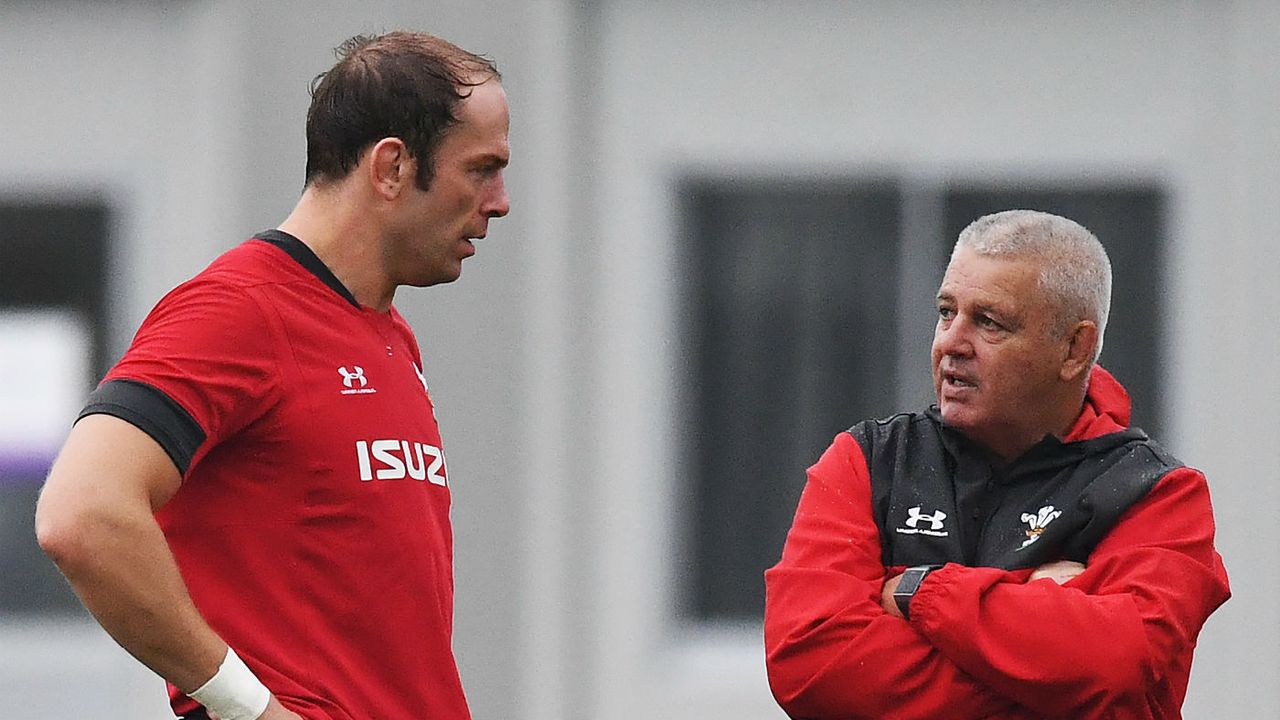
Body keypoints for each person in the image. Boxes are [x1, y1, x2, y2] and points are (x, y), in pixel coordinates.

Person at [35, 30, 509, 720]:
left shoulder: (387, 334)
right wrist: (248, 708)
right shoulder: (240, 311)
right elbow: (82, 514)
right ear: (391, 167)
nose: (499, 201)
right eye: (481, 169)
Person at [763, 210, 1230, 720]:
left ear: (1075, 348)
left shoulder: (1158, 493)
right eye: (946, 312)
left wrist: (919, 591)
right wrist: (1049, 670)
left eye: (989, 322)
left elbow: (1117, 661)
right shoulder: (869, 461)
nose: (951, 343)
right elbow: (812, 666)